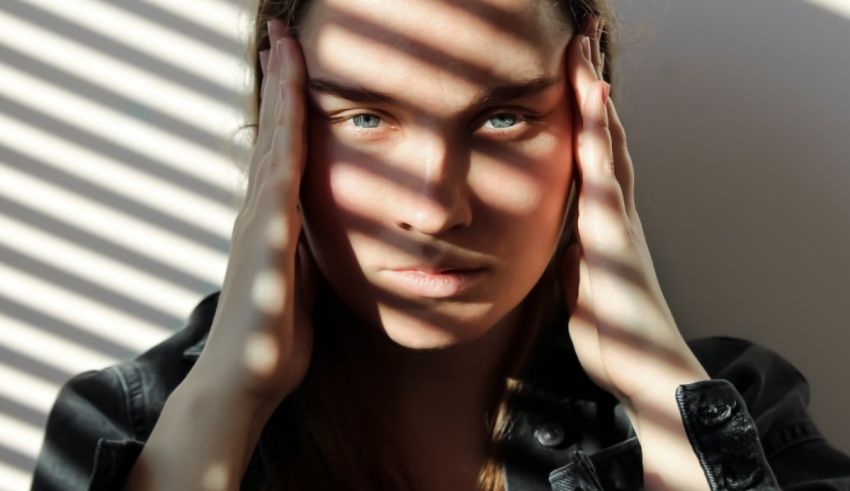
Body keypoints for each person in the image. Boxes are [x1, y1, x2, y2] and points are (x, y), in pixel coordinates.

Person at [29, 0, 850, 489]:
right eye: (364, 117)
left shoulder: (738, 406)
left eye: (503, 118)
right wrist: (224, 402)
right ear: (278, 120)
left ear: (594, 118)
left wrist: (659, 389)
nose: (435, 207)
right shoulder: (128, 429)